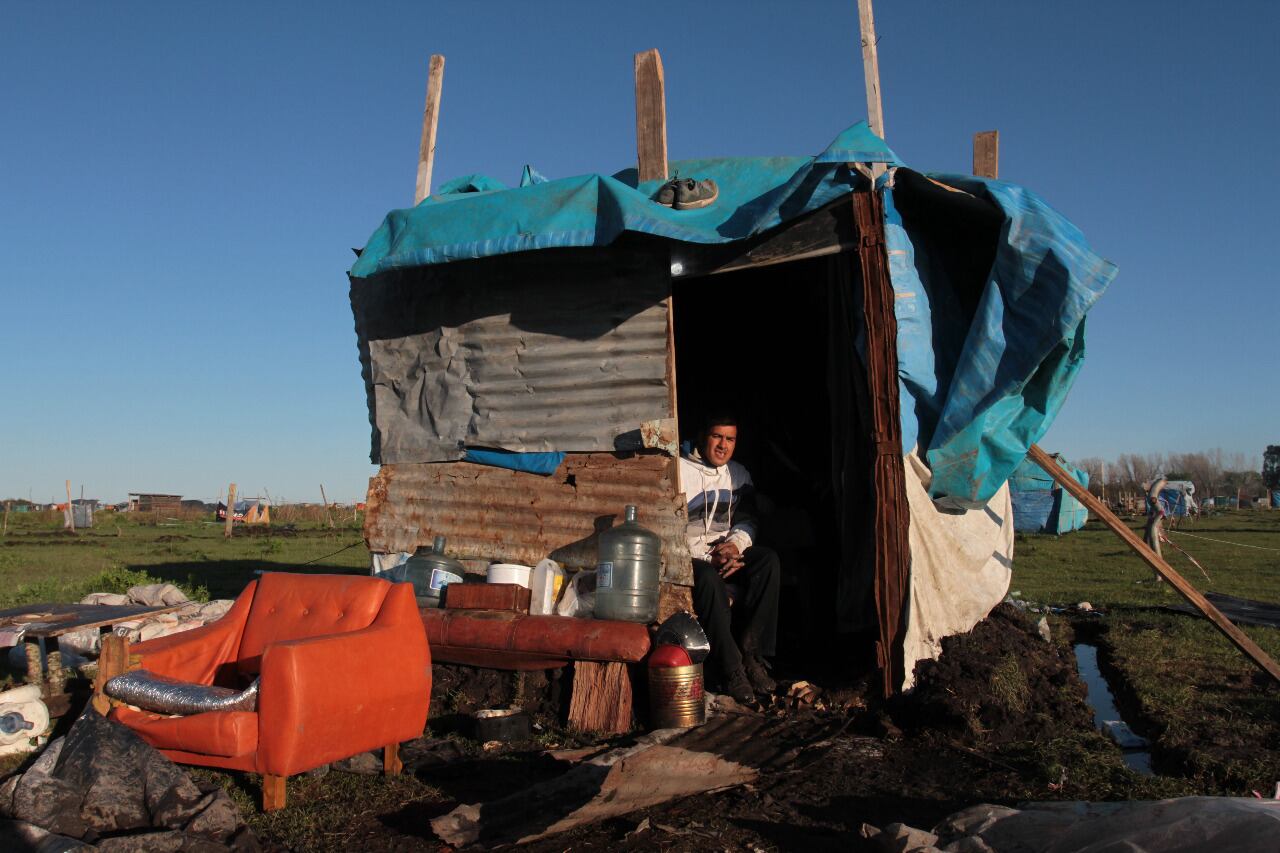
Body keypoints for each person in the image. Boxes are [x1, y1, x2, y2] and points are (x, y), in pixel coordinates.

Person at [680, 414, 781, 704]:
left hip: (724, 552)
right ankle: (731, 669)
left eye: (730, 439)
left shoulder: (737, 474)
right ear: (703, 437)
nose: (723, 445)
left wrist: (735, 547)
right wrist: (707, 556)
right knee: (707, 579)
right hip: (689, 555)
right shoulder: (678, 471)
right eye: (717, 437)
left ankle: (752, 655)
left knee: (767, 561)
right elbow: (668, 529)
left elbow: (747, 520)